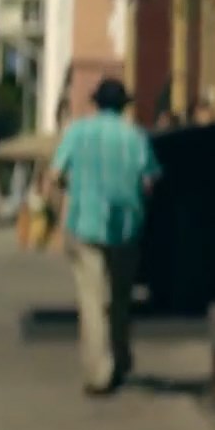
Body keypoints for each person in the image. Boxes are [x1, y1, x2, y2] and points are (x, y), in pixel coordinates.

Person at [50, 78, 161, 395]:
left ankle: (100, 373)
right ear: (124, 106)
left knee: (92, 300)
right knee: (120, 298)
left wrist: (69, 194)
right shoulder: (134, 136)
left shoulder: (77, 133)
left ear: (96, 103)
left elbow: (56, 174)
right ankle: (122, 356)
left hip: (84, 224)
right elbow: (150, 179)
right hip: (126, 227)